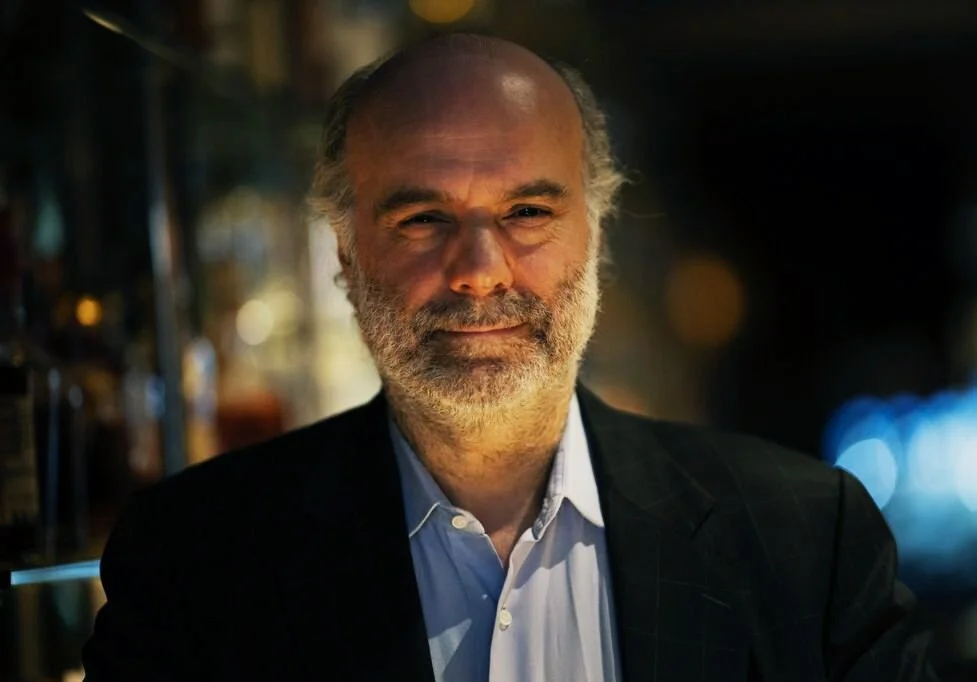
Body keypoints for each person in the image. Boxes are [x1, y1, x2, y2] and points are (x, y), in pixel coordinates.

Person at [82, 33, 939, 682]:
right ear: (344, 254)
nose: (479, 271)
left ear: (593, 236)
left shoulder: (805, 541)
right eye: (421, 220)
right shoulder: (194, 561)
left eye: (527, 212)